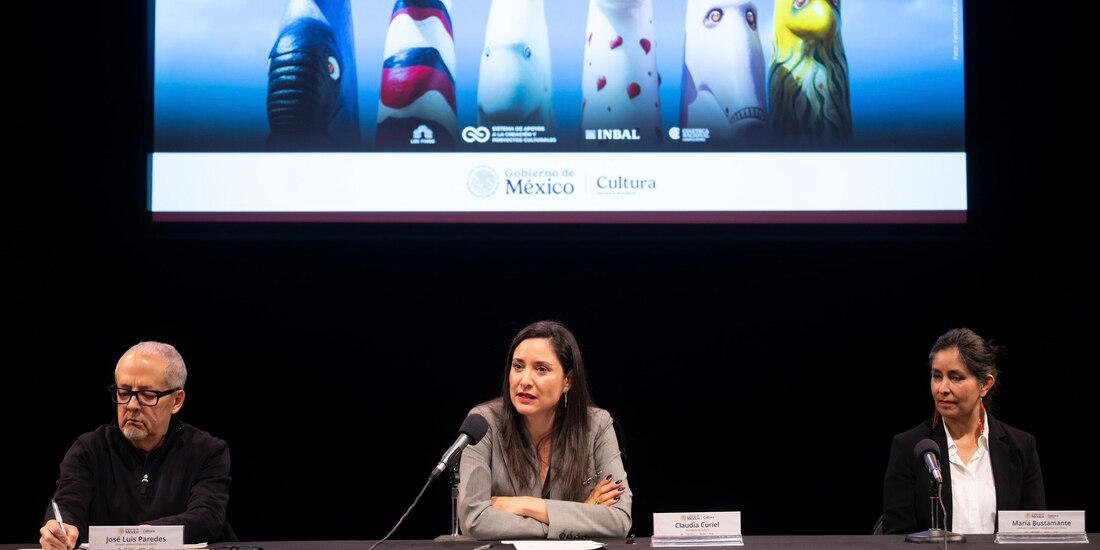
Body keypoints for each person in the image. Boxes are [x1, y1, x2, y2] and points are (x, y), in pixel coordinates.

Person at [39, 342, 232, 550]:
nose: (131, 406)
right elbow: (67, 505)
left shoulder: (207, 451)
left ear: (177, 400)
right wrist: (60, 529)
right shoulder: (88, 449)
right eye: (124, 393)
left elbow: (207, 518)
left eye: (147, 395)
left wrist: (138, 538)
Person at [458, 320, 632, 540]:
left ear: (567, 381)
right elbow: (474, 520)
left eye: (541, 369)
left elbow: (619, 520)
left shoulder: (597, 425)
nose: (525, 380)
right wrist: (571, 519)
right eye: (518, 366)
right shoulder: (483, 424)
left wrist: (527, 505)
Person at [882, 328, 1045, 535]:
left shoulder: (1020, 446)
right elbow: (896, 537)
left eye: (956, 377)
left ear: (985, 385)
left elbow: (1033, 534)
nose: (942, 388)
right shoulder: (909, 447)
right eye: (937, 376)